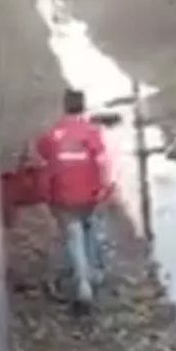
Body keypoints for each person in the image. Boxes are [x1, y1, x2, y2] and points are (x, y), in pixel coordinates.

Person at [32, 88, 112, 310]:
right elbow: (103, 160)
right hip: (89, 194)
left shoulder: (52, 134)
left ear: (64, 106)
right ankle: (95, 272)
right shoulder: (91, 132)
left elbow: (40, 154)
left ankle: (82, 284)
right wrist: (105, 186)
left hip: (63, 195)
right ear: (83, 107)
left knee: (72, 234)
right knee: (90, 226)